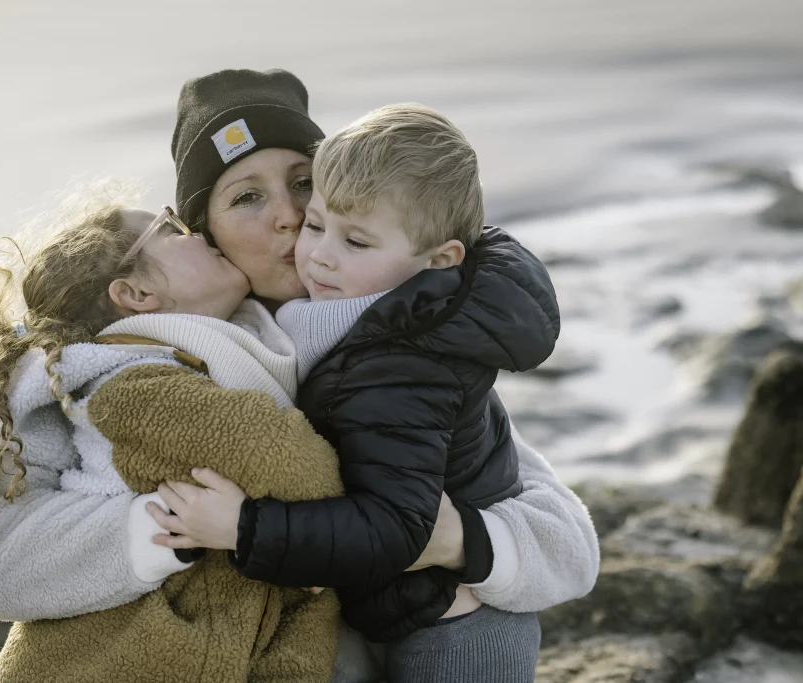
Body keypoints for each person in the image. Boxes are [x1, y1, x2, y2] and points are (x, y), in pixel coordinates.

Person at [0, 68, 599, 683]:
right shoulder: (116, 365)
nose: (288, 215)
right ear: (205, 234)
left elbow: (563, 537)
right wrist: (180, 525)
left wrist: (464, 539)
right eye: (247, 196)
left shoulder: (395, 335)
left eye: (305, 183)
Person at [152, 102, 556, 682]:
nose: (315, 249)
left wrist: (244, 528)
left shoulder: (398, 361)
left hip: (452, 631)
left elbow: (399, 525)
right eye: (319, 224)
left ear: (438, 259)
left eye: (356, 242)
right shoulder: (344, 326)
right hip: (396, 612)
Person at [0, 191, 351, 682]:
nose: (197, 233)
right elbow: (286, 460)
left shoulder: (240, 355)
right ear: (135, 295)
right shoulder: (136, 386)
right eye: (172, 229)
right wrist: (372, 518)